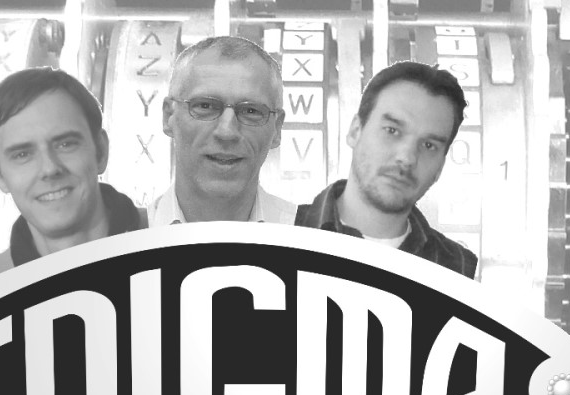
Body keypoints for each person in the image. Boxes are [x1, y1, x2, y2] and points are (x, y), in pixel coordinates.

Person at [295, 61, 478, 278]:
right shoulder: (277, 233)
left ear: (440, 167)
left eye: (429, 145)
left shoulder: (457, 270)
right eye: (392, 131)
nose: (407, 158)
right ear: (355, 131)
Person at [0, 67, 146, 278]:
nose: (49, 169)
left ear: (100, 151)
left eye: (66, 144)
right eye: (22, 155)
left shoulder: (172, 240)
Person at [149, 36, 297, 225]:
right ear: (169, 116)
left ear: (276, 128)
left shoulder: (315, 237)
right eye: (205, 106)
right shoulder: (123, 234)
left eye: (251, 111)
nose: (227, 132)